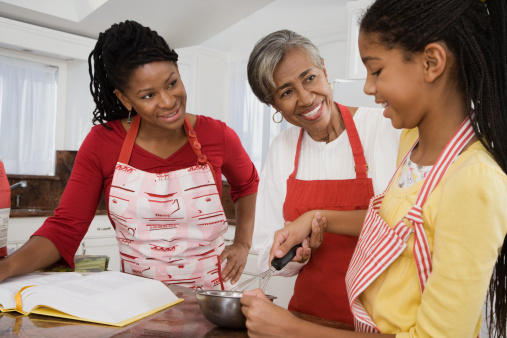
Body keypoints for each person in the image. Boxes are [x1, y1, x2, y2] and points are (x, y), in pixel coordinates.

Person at [241, 0, 507, 337]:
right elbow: (397, 226)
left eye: (376, 71)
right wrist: (313, 220)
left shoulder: (453, 167)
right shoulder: (416, 156)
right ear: (274, 105)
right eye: (286, 93)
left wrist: (290, 330)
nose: (368, 88)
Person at [0, 20, 259, 289]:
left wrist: (242, 242)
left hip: (210, 302)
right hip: (138, 304)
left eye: (172, 83)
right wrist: (6, 268)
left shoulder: (217, 135)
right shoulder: (103, 143)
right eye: (148, 95)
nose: (168, 101)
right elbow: (65, 227)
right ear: (125, 99)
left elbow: (247, 183)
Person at [248, 29, 400, 326]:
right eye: (286, 92)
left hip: (380, 323)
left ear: (325, 71)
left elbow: (400, 225)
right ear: (274, 106)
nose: (306, 98)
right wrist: (294, 257)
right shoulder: (282, 149)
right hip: (307, 320)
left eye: (309, 78)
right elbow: (267, 250)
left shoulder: (383, 127)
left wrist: (315, 217)